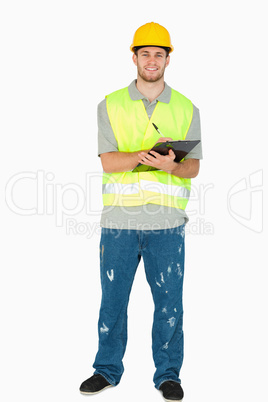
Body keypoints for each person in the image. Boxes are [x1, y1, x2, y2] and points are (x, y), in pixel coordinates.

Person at [80, 22, 202, 402]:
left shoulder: (187, 108)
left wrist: (172, 167)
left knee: (170, 303)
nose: (152, 61)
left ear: (168, 59)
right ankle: (106, 371)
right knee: (112, 301)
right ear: (134, 57)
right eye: (145, 54)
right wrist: (146, 155)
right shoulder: (110, 105)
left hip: (167, 225)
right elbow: (108, 162)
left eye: (159, 54)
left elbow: (194, 166)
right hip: (118, 222)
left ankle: (168, 375)